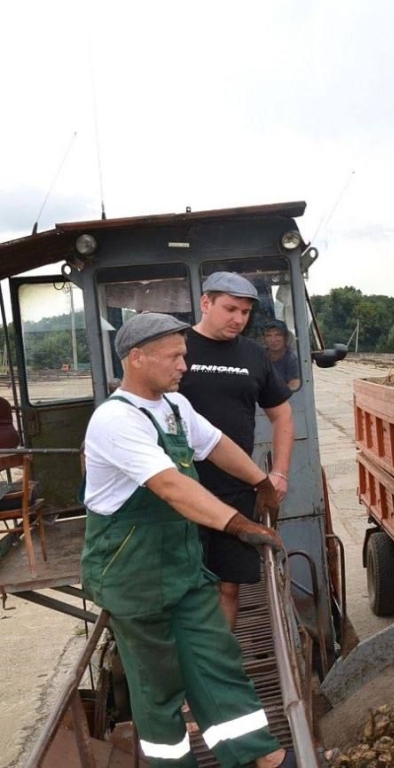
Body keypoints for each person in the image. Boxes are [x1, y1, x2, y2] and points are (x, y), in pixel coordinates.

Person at [81, 313, 293, 767]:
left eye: (185, 355)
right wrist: (239, 525)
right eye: (175, 356)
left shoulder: (175, 408)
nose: (184, 366)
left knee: (217, 658)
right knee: (158, 686)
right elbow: (172, 487)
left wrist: (262, 482)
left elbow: (216, 444)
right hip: (131, 575)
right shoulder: (115, 420)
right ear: (137, 358)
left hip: (181, 566)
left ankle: (261, 755)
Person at [179, 272, 295, 630]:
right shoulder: (175, 346)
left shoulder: (253, 354)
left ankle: (223, 665)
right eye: (230, 309)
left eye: (245, 312)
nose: (238, 319)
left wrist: (279, 474)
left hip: (235, 487)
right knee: (184, 586)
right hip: (180, 485)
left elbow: (283, 415)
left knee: (227, 585)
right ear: (205, 303)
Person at [263, 319, 300, 391]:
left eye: (278, 335)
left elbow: (294, 386)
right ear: (264, 339)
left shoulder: (293, 358)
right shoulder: (259, 357)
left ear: (285, 337)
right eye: (269, 336)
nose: (273, 340)